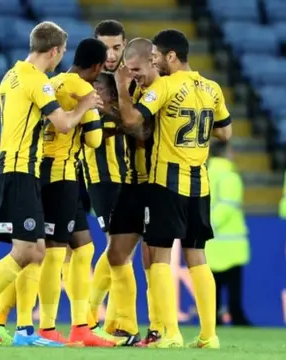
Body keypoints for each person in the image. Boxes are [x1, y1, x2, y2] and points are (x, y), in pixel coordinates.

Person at [0, 21, 101, 347]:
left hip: (20, 170)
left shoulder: (11, 75)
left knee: (36, 251)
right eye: (61, 52)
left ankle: (25, 331)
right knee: (24, 251)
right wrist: (84, 106)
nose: (61, 58)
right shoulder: (38, 81)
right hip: (18, 171)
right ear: (53, 51)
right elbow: (63, 125)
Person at [115, 29, 232, 349]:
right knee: (198, 257)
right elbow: (226, 132)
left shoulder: (165, 86)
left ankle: (170, 334)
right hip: (200, 183)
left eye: (156, 56)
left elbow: (130, 120)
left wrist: (123, 90)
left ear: (171, 56)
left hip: (167, 183)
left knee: (161, 258)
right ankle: (209, 336)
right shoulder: (212, 87)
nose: (153, 61)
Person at [81, 21, 135, 344]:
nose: (112, 54)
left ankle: (101, 320)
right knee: (119, 249)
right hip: (101, 177)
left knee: (122, 251)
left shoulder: (131, 79)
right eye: (105, 47)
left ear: (125, 45)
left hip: (129, 176)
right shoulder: (86, 82)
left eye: (117, 47)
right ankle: (111, 323)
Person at [107, 38, 162, 347]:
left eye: (138, 69)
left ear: (153, 63)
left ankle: (158, 328)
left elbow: (140, 130)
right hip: (132, 183)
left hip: (155, 185)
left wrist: (119, 97)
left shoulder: (159, 92)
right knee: (116, 253)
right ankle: (127, 326)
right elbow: (127, 124)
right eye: (130, 71)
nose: (134, 75)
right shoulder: (137, 93)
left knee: (152, 258)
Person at [206, 140, 251, 326]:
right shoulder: (229, 175)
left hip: (211, 241)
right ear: (226, 152)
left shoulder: (205, 173)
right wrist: (213, 223)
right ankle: (236, 315)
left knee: (213, 284)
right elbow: (229, 204)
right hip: (230, 241)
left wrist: (205, 225)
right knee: (233, 285)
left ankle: (213, 317)